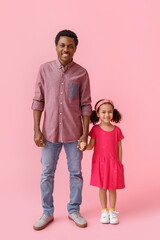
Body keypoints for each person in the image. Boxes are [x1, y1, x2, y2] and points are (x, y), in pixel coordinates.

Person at [32, 30, 92, 230]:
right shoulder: (44, 70)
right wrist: (36, 130)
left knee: (76, 173)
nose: (66, 49)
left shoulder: (82, 73)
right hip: (49, 133)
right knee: (46, 173)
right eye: (62, 45)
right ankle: (47, 212)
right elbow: (38, 101)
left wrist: (85, 133)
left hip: (74, 134)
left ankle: (74, 210)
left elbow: (86, 105)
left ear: (75, 48)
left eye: (70, 46)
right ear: (56, 46)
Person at [79, 99, 125, 224]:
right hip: (100, 163)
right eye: (103, 112)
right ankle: (104, 211)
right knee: (102, 189)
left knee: (112, 188)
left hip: (113, 163)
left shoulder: (117, 130)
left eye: (109, 112)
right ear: (98, 114)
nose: (107, 115)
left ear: (113, 113)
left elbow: (119, 147)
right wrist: (83, 146)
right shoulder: (95, 130)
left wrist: (119, 163)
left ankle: (112, 211)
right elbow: (90, 146)